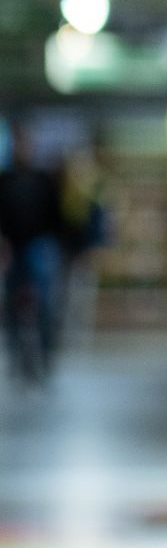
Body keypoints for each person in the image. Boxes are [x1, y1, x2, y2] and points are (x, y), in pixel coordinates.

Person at [0, 128, 69, 384]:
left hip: (39, 245)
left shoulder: (43, 179)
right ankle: (16, 356)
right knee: (11, 303)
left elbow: (56, 215)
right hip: (13, 246)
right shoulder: (5, 179)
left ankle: (45, 355)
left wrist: (58, 245)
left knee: (44, 303)